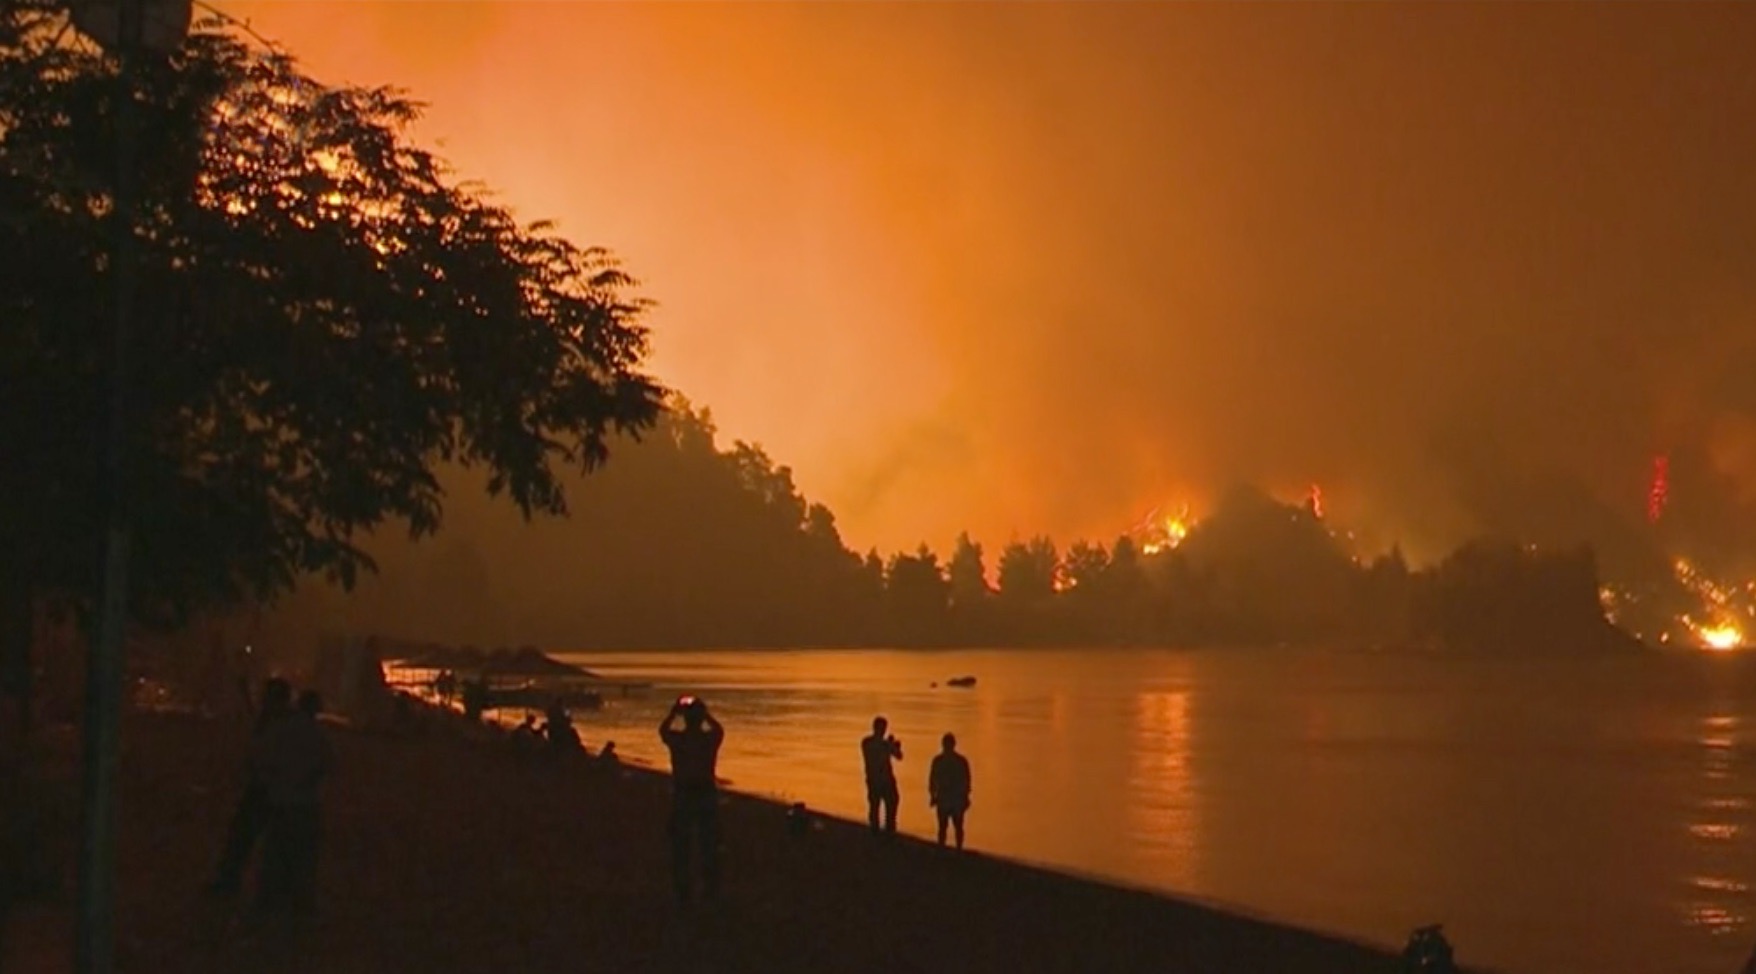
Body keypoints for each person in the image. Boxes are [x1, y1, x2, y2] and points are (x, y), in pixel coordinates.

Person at [207, 677, 293, 896]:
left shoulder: (277, 723)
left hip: (267, 789)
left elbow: (262, 752)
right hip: (274, 789)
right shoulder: (279, 721)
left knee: (244, 839)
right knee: (255, 841)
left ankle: (233, 884)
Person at [255, 689, 334, 914]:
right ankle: (300, 903)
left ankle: (267, 902)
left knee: (274, 855)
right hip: (306, 804)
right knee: (304, 858)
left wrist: (273, 784)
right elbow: (329, 766)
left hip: (280, 801)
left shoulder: (281, 731)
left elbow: (261, 760)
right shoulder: (318, 736)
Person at [659, 696, 723, 902]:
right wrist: (706, 715)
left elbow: (663, 730)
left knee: (683, 844)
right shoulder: (708, 740)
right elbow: (719, 730)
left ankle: (684, 888)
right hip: (702, 792)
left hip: (686, 792)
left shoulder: (679, 740)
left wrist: (673, 712)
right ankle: (708, 888)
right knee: (706, 843)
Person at [928, 732, 972, 849]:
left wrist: (933, 796)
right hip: (950, 797)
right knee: (952, 826)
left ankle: (947, 848)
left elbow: (932, 780)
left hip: (949, 797)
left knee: (949, 826)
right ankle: (956, 848)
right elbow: (966, 780)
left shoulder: (939, 760)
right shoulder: (960, 761)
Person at [860, 716, 903, 836]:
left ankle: (885, 829)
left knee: (887, 805)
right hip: (880, 780)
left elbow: (899, 756)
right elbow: (896, 755)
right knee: (878, 806)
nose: (883, 730)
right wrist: (891, 746)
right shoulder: (870, 743)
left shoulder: (872, 743)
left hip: (881, 780)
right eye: (882, 728)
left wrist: (893, 747)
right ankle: (881, 830)